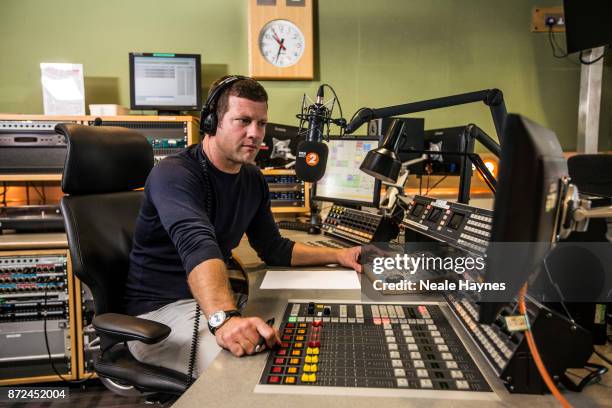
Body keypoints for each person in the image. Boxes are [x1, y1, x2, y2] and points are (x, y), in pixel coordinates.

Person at [124, 75, 362, 377]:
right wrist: (225, 320)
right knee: (244, 371)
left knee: (303, 339)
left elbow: (274, 248)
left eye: (261, 123)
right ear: (212, 122)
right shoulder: (173, 174)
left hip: (211, 305)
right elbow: (197, 244)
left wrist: (337, 256)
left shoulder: (251, 179)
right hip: (159, 317)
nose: (255, 133)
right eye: (243, 121)